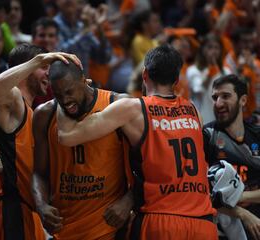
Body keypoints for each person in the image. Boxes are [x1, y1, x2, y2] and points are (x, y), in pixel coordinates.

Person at [56, 45, 217, 239]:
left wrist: (63, 95)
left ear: (145, 74)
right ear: (176, 80)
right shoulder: (193, 111)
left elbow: (67, 136)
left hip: (162, 220)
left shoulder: (133, 109)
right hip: (204, 222)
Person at [32, 60, 134, 239]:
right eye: (58, 94)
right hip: (63, 228)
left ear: (84, 79)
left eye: (69, 91)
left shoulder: (117, 104)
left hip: (108, 225)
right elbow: (39, 173)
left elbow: (147, 165)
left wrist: (128, 201)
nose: (65, 100)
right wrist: (41, 205)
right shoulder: (44, 115)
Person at [0, 44, 58, 240]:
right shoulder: (14, 99)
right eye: (44, 67)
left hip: (24, 207)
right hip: (7, 204)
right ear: (25, 68)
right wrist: (37, 61)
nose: (49, 74)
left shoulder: (31, 112)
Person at [203, 74, 260, 240]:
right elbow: (201, 192)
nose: (218, 103)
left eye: (225, 96)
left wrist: (238, 196)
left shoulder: (257, 135)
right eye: (215, 97)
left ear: (243, 100)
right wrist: (242, 214)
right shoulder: (207, 136)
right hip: (223, 225)